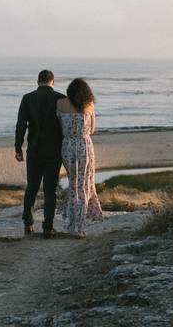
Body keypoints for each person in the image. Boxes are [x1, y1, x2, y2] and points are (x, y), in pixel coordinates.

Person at [14, 69, 65, 238]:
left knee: (32, 187)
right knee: (50, 190)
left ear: (38, 81)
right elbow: (65, 126)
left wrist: (18, 148)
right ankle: (48, 228)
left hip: (34, 149)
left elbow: (21, 125)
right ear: (53, 81)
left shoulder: (28, 98)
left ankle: (28, 224)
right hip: (54, 150)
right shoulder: (61, 98)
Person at [56, 77, 103, 238]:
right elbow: (92, 130)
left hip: (67, 147)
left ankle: (72, 222)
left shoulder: (60, 104)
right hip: (84, 147)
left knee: (74, 183)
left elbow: (58, 126)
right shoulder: (89, 105)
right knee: (84, 185)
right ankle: (79, 226)